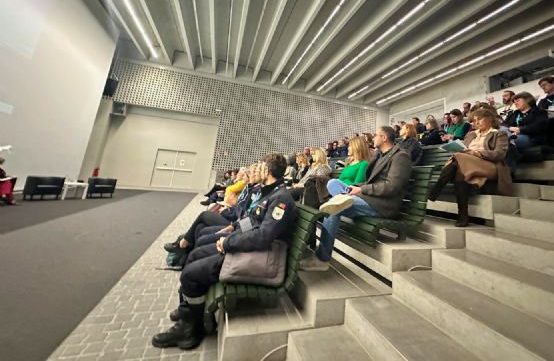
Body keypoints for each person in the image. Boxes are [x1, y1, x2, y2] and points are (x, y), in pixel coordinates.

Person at [152, 153, 296, 350]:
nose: (256, 170)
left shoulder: (281, 199)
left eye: (260, 167)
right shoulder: (270, 192)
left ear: (268, 172)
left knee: (190, 274)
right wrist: (233, 228)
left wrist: (228, 243)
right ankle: (191, 314)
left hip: (261, 258)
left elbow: (263, 236)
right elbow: (251, 221)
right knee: (195, 255)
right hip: (249, 248)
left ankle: (189, 329)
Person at [300, 126, 411, 271]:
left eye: (376, 135)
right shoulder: (380, 155)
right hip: (370, 197)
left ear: (384, 138)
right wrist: (356, 187)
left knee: (333, 209)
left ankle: (322, 259)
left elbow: (392, 187)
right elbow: (369, 181)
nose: (372, 138)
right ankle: (341, 198)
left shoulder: (400, 156)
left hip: (383, 204)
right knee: (334, 189)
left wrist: (361, 189)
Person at [427, 109, 512, 227]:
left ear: (490, 119)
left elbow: (500, 154)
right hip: (467, 164)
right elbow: (463, 149)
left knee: (457, 157)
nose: (476, 122)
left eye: (479, 119)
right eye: (474, 120)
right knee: (459, 175)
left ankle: (438, 187)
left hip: (490, 165)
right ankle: (463, 215)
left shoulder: (498, 134)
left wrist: (479, 153)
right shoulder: (471, 134)